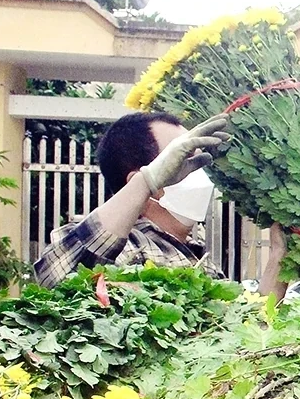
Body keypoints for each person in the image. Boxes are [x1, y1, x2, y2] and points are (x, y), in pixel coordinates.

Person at [34, 111, 287, 299]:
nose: (197, 170)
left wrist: (278, 255)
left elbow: (246, 335)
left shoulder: (199, 260)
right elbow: (56, 277)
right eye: (181, 158)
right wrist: (146, 182)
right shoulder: (128, 249)